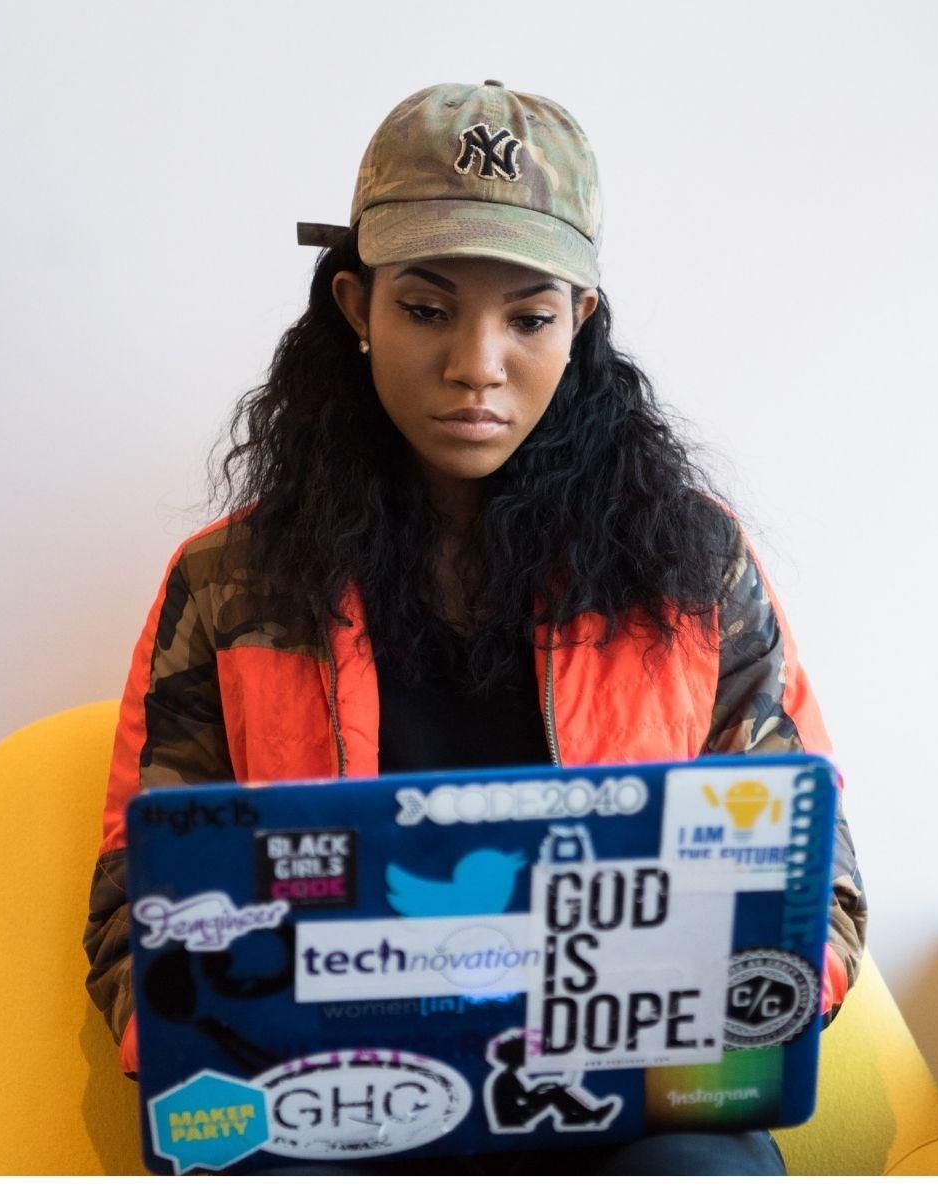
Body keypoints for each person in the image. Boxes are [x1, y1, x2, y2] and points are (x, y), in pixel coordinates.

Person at [82, 79, 867, 1177]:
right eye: (427, 308)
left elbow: (812, 874)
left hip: (624, 1119)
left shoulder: (690, 566)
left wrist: (725, 1027)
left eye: (530, 318)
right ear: (355, 308)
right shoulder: (228, 582)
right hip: (329, 1107)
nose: (476, 366)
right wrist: (222, 1051)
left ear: (581, 321)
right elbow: (137, 893)